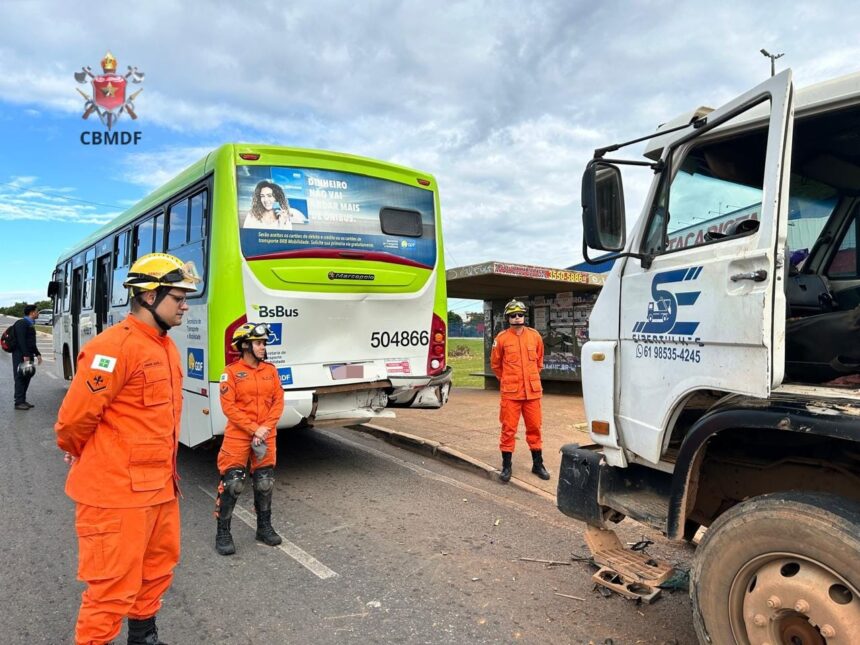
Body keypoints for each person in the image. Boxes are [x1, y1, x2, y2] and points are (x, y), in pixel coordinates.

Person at [54, 253, 199, 645]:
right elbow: (73, 420)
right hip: (116, 494)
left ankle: (143, 638)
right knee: (110, 589)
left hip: (160, 488)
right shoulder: (112, 348)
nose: (185, 306)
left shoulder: (164, 346)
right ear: (149, 296)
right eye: (178, 297)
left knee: (156, 571)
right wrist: (77, 449)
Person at [215, 322, 285, 556]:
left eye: (264, 343)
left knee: (265, 482)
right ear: (245, 345)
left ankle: (264, 528)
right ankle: (223, 532)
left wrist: (265, 427)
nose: (263, 347)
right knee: (233, 483)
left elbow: (278, 401)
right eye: (258, 343)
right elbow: (229, 407)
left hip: (266, 434)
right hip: (238, 435)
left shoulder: (271, 371)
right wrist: (254, 428)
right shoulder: (231, 372)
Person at [490, 299, 550, 483]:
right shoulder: (501, 338)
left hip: (532, 393)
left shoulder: (535, 336)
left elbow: (539, 362)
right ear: (508, 318)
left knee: (535, 428)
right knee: (508, 429)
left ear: (524, 316)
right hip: (511, 393)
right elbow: (496, 365)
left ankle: (538, 464)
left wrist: (529, 379)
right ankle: (506, 466)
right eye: (513, 315)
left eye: (520, 315)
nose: (517, 318)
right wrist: (508, 380)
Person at [11, 304, 42, 410]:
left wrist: (37, 354)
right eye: (37, 311)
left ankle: (23, 400)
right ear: (32, 313)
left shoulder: (30, 324)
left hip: (28, 355)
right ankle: (18, 402)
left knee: (27, 376)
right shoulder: (21, 323)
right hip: (21, 355)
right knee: (20, 377)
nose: (38, 313)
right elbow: (21, 340)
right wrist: (25, 355)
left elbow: (31, 342)